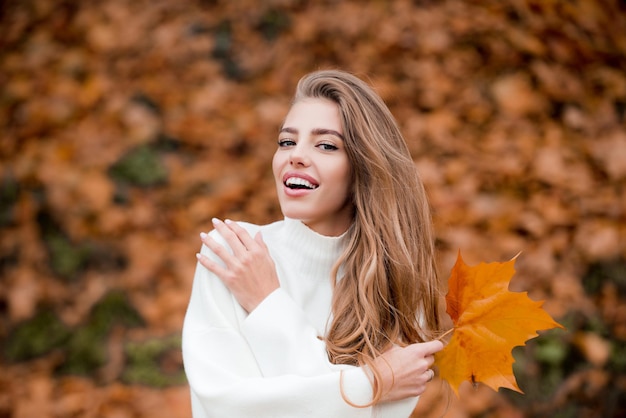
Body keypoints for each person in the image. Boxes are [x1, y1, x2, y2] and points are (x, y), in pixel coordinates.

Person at [182, 69, 444, 417]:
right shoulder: (236, 252)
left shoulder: (396, 285)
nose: (296, 155)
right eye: (287, 142)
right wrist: (371, 384)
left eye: (326, 145)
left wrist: (266, 304)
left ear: (364, 168)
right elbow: (230, 408)